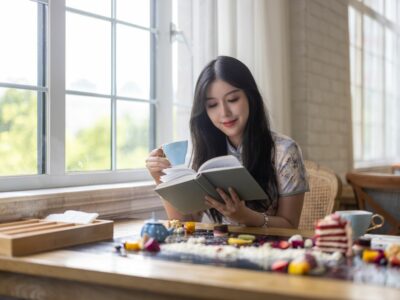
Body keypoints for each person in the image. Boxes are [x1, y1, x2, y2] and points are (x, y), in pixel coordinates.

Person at [146, 56, 309, 228]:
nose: (224, 112)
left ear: (250, 97)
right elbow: (187, 223)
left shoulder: (284, 151)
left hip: (269, 250)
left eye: (232, 100)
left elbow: (290, 225)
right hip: (219, 249)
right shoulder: (202, 151)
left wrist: (246, 216)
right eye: (212, 105)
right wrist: (162, 180)